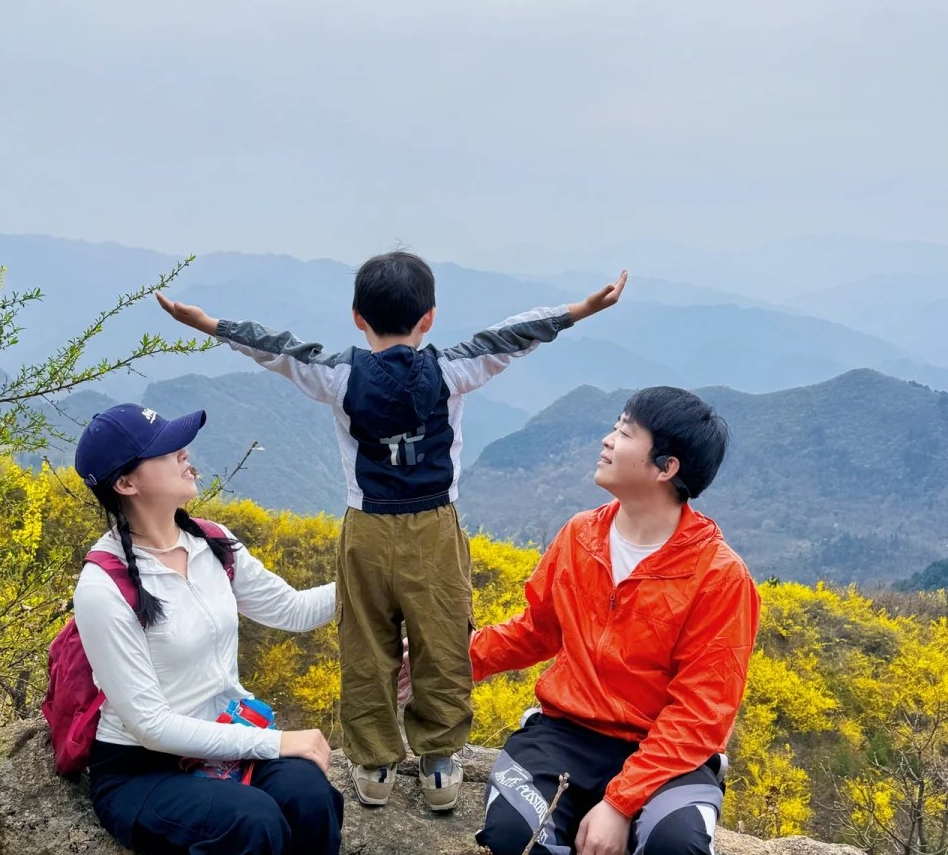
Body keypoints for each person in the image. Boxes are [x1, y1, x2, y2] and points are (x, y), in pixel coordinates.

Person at [157, 254, 626, 811]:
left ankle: (376, 765)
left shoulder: (337, 376)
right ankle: (439, 765)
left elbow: (276, 348)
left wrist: (210, 324)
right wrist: (579, 310)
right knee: (444, 640)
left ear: (358, 317)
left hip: (367, 528)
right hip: (435, 528)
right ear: (428, 317)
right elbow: (514, 335)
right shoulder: (453, 371)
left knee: (366, 641)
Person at [471, 387, 787, 855]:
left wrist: (619, 804)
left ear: (666, 465)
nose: (608, 440)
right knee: (510, 835)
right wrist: (456, 663)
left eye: (625, 432)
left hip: (666, 748)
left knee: (676, 845)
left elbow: (700, 715)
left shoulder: (718, 575)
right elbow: (536, 628)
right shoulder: (582, 534)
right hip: (565, 732)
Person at [71, 402, 343, 855]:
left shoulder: (213, 544)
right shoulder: (105, 585)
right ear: (127, 483)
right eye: (167, 451)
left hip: (221, 737)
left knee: (311, 800)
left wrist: (376, 579)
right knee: (250, 821)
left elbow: (294, 610)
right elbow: (148, 724)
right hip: (141, 767)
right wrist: (279, 742)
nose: (186, 456)